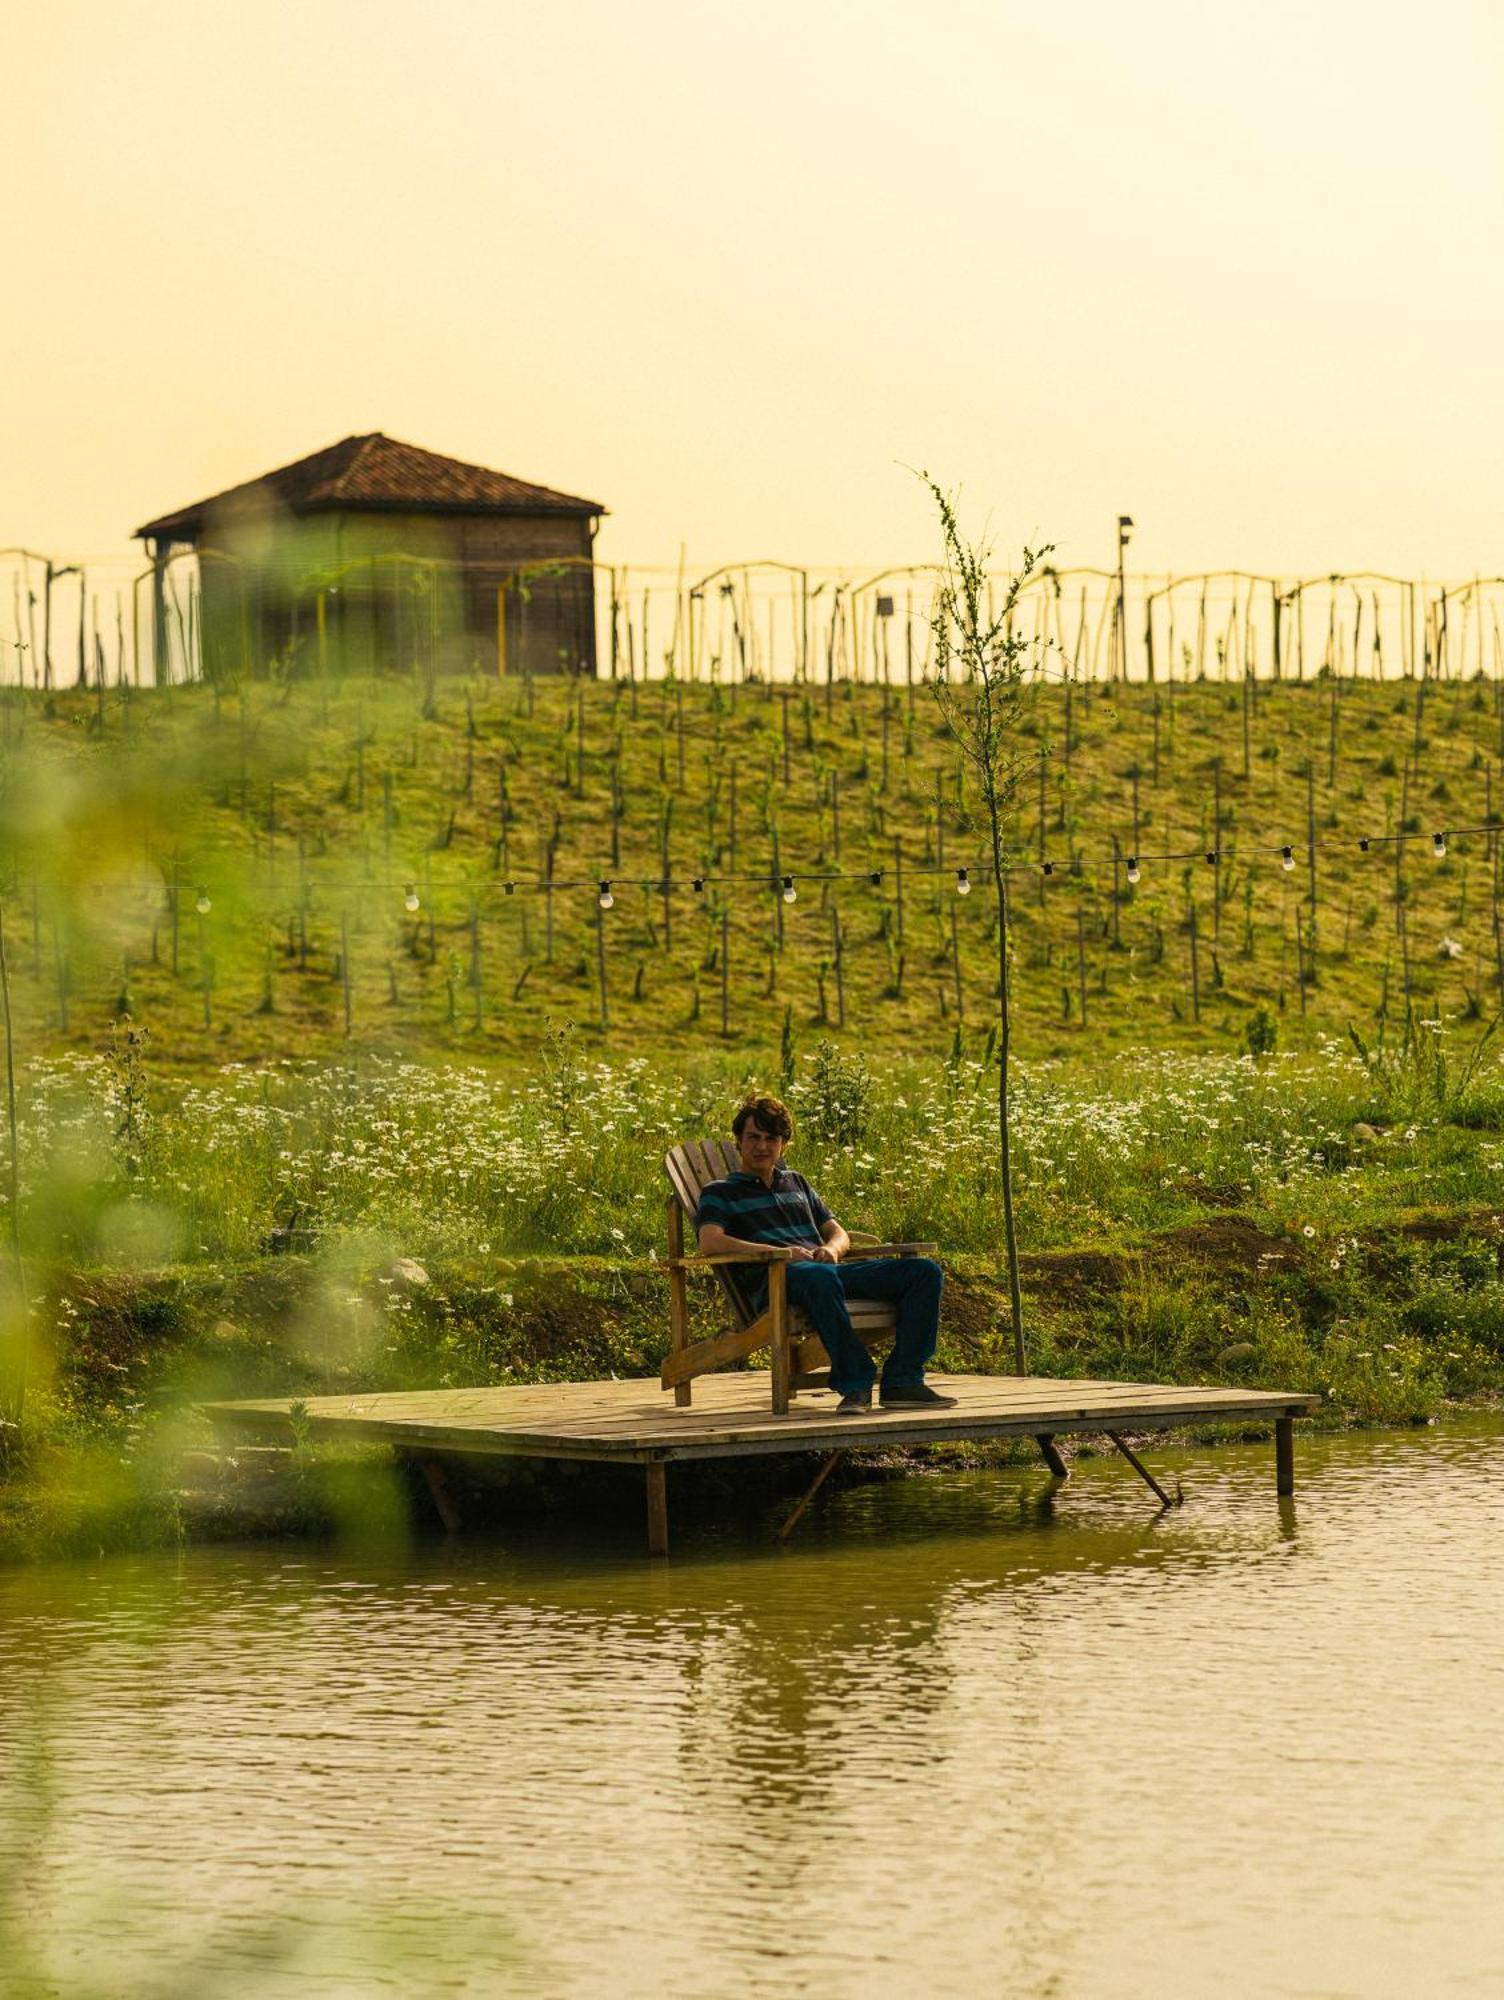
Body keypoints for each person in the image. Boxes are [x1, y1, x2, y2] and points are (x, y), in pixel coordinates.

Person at [694, 1092, 956, 1416]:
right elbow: (710, 1241)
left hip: (826, 1271)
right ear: (738, 1140)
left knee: (923, 1272)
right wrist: (780, 1253)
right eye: (753, 1137)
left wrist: (831, 1250)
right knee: (817, 1276)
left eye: (771, 1138)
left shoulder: (796, 1182)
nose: (762, 1146)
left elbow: (837, 1231)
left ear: (783, 1144)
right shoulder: (719, 1192)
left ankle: (903, 1380)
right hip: (778, 1280)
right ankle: (855, 1381)